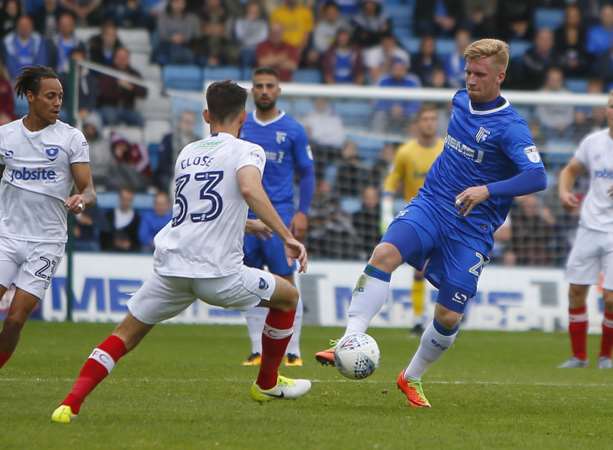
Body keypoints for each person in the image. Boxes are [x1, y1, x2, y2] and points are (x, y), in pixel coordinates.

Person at [51, 80, 310, 424]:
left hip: (172, 269)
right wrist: (285, 235)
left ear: (206, 115)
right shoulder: (248, 150)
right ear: (243, 118)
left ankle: (69, 404)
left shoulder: (187, 153)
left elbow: (196, 211)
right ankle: (266, 383)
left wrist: (249, 225)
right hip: (219, 275)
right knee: (288, 297)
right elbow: (248, 188)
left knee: (124, 336)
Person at [315, 39, 547, 408]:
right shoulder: (459, 101)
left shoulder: (511, 127)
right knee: (385, 252)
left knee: (450, 314)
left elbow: (537, 177)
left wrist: (487, 190)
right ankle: (348, 338)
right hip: (432, 204)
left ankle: (411, 377)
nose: (471, 80)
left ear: (500, 76)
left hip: (472, 228)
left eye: (480, 74)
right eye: (468, 72)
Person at [0, 66, 95, 370]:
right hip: (7, 236)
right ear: (30, 97)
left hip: (47, 242)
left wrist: (82, 200)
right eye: (50, 96)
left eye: (60, 97)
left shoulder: (71, 138)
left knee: (15, 320)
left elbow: (88, 189)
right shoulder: (6, 136)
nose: (57, 102)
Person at [240, 67, 315, 367]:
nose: (264, 91)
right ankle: (257, 349)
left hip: (281, 213)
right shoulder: (241, 127)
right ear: (252, 90)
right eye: (259, 86)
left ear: (279, 90)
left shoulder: (293, 129)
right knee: (250, 280)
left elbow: (307, 173)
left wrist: (303, 211)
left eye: (270, 85)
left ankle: (293, 350)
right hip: (246, 214)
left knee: (284, 280)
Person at [557, 91, 613, 370]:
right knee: (576, 291)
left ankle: (606, 357)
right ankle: (578, 357)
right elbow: (570, 170)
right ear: (607, 110)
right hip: (589, 226)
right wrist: (565, 192)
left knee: (611, 297)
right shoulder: (594, 142)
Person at [381, 104, 444, 335]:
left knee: (445, 270)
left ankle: (445, 318)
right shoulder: (406, 152)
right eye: (425, 119)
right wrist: (386, 207)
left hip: (447, 216)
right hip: (418, 217)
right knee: (418, 270)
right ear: (417, 123)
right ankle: (418, 320)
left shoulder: (446, 149)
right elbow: (392, 180)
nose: (429, 123)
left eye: (433, 119)